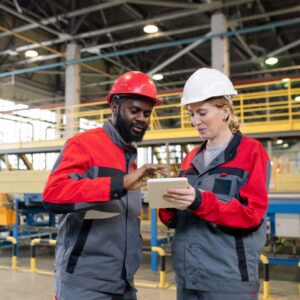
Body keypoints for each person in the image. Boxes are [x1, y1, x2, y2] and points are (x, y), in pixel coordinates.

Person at [42, 71, 166, 300]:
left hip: (123, 282)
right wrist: (119, 183)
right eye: (135, 110)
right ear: (115, 107)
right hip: (84, 284)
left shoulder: (130, 156)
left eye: (147, 113)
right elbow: (53, 194)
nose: (142, 118)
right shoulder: (84, 145)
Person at [159, 68, 271, 300]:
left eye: (202, 112)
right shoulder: (191, 157)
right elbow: (175, 220)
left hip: (228, 280)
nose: (195, 121)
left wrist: (199, 200)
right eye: (191, 114)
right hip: (188, 276)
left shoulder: (251, 152)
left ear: (225, 111)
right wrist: (167, 202)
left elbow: (252, 216)